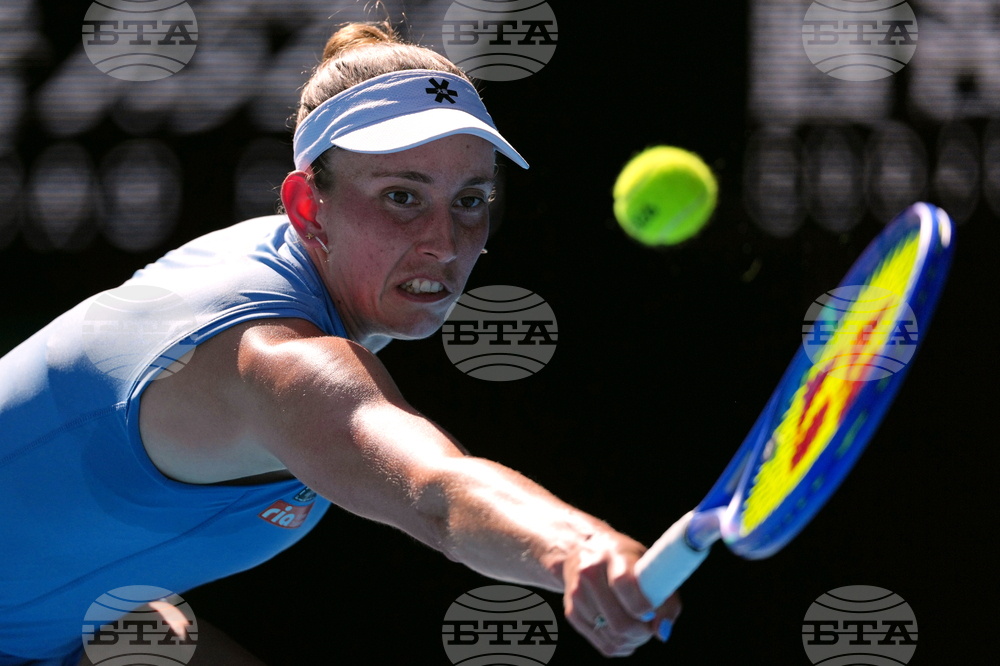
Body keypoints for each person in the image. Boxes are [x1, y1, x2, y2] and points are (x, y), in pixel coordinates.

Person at [0, 23, 682, 665]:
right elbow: (436, 492)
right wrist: (579, 548)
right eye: (401, 198)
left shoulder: (285, 267)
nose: (445, 244)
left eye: (470, 200)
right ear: (306, 206)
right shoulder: (275, 356)